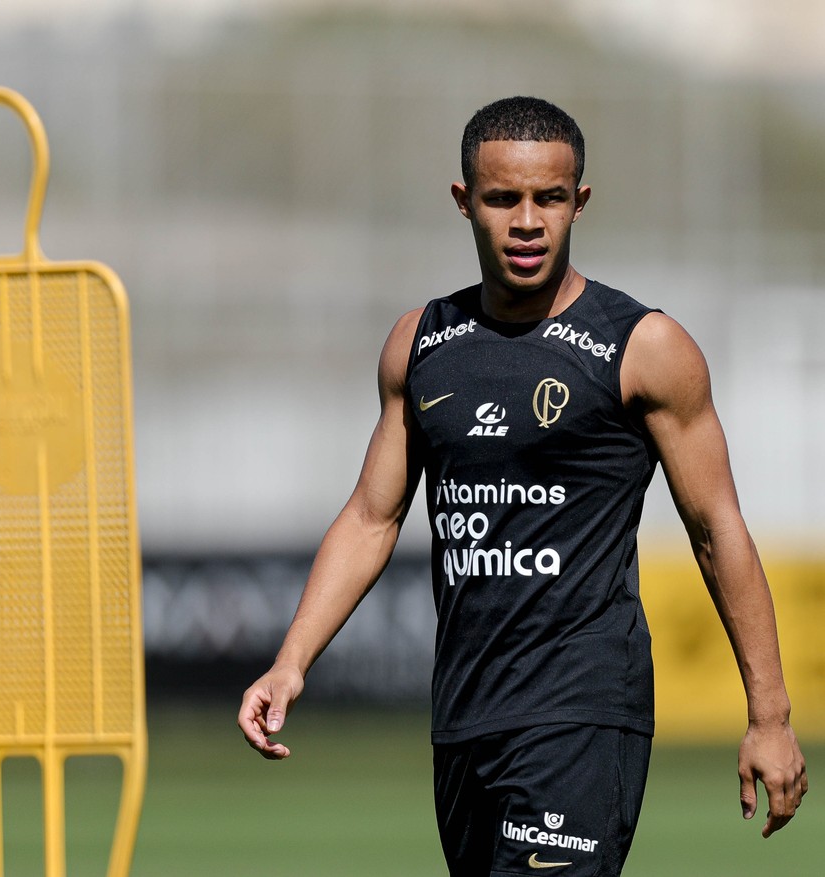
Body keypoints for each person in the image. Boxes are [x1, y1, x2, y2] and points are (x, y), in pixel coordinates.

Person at [237, 96, 807, 875]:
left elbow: (718, 529)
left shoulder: (644, 347)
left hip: (582, 709)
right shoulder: (421, 342)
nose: (529, 220)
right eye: (504, 198)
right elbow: (372, 517)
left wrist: (768, 715)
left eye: (551, 198)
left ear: (581, 201)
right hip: (464, 720)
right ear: (464, 201)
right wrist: (291, 659)